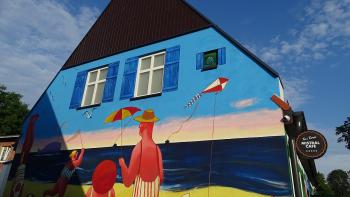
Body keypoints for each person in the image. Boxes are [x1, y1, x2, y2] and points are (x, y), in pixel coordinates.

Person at [119, 109, 163, 197]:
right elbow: (161, 179)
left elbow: (127, 182)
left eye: (141, 123)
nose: (139, 126)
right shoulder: (157, 149)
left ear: (144, 125)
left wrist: (123, 165)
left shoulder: (138, 148)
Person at [11, 114, 39, 197]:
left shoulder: (13, 190)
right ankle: (31, 124)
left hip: (20, 166)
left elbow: (15, 184)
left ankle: (31, 123)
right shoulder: (18, 191)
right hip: (22, 168)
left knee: (27, 144)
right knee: (30, 143)